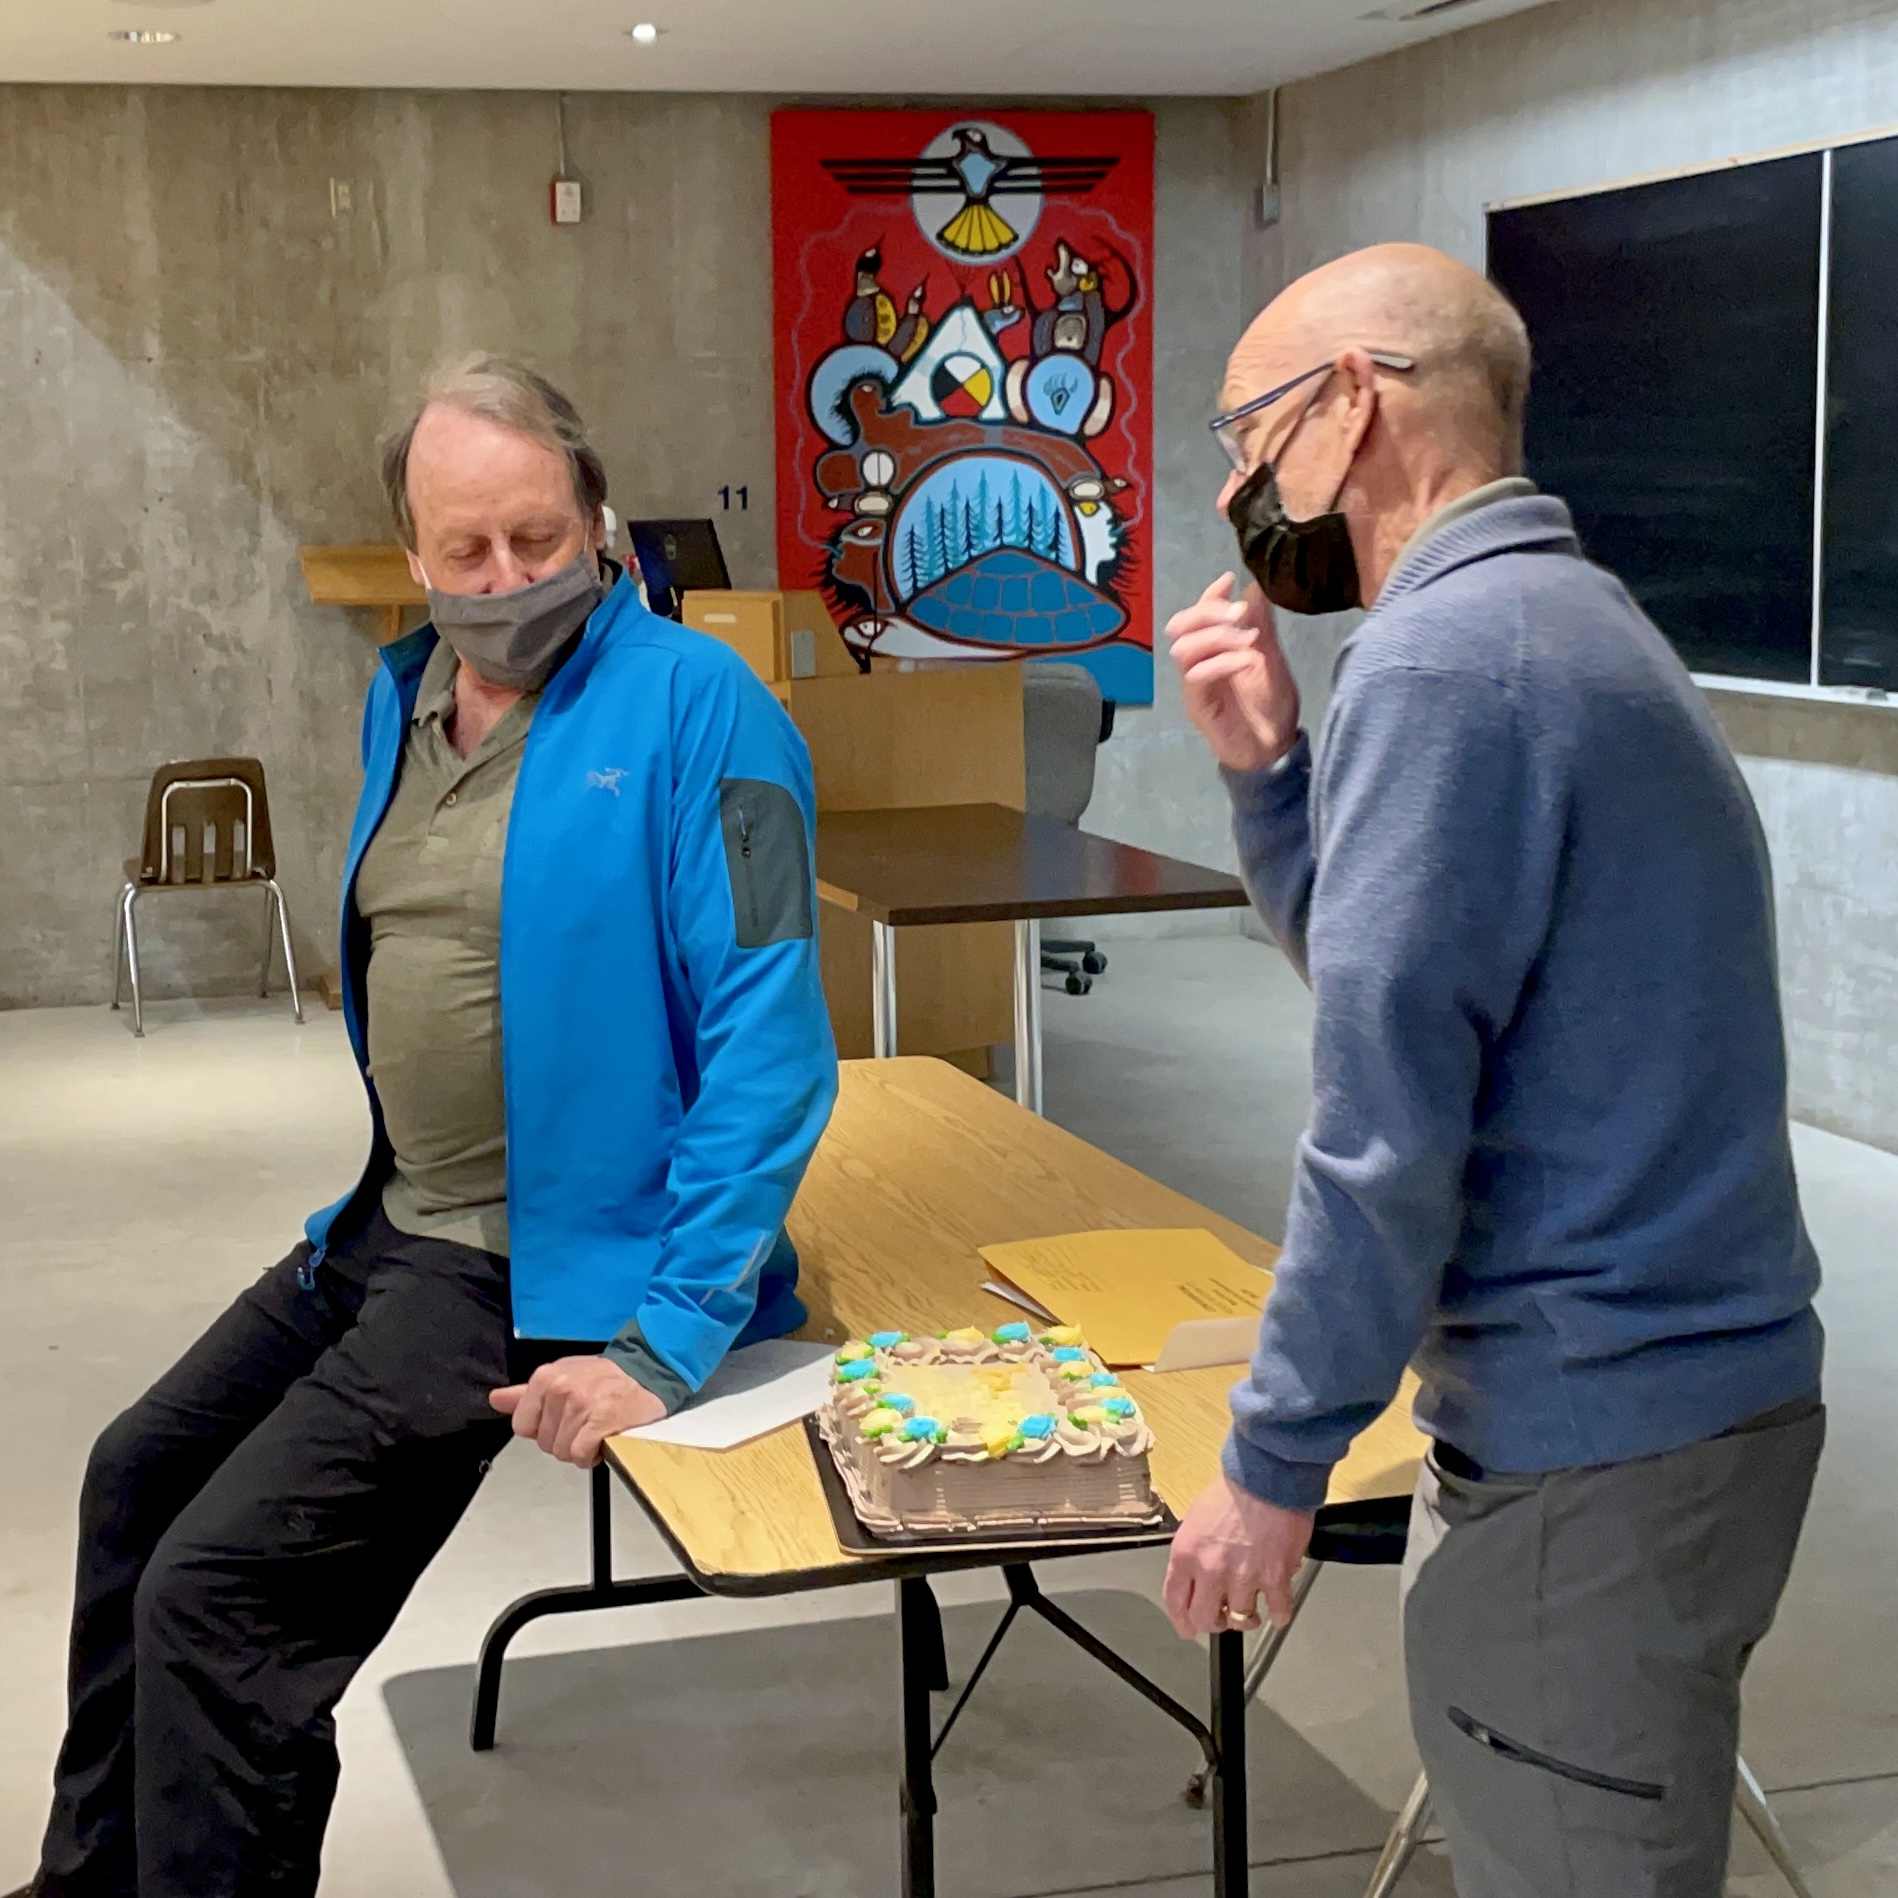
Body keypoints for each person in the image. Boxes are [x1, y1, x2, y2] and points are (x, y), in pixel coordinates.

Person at [21, 356, 838, 1898]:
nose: (504, 578)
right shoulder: (403, 693)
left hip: (526, 1266)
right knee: (137, 1475)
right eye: (464, 549)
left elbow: (773, 1039)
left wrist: (666, 1336)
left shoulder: (709, 714)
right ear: (414, 555)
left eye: (537, 538)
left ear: (598, 519)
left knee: (223, 1596)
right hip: (387, 1220)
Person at [1159, 244, 1823, 1896]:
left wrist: (1271, 1462)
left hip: (1594, 1433)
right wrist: (1268, 779)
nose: (1240, 481)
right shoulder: (1553, 619)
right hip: (1678, 1409)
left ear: (1353, 403)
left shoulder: (1449, 659)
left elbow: (1381, 1120)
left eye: (1250, 430)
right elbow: (1423, 990)